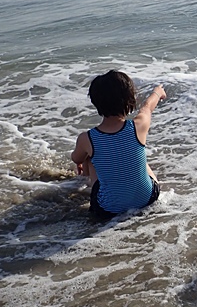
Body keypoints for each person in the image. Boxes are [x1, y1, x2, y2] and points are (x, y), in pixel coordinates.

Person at [71, 70, 166, 219]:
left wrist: (84, 160)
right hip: (147, 199)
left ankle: (87, 180)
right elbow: (147, 107)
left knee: (90, 156)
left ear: (95, 102)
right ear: (130, 98)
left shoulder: (87, 138)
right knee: (137, 152)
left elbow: (76, 158)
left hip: (108, 209)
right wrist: (157, 92)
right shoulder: (138, 126)